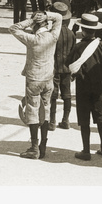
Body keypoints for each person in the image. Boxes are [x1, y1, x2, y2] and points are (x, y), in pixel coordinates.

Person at [9, 9, 63, 159]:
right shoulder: (53, 36)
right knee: (45, 110)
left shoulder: (32, 39)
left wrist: (32, 20)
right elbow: (59, 17)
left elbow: (13, 28)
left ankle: (34, 147)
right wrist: (46, 15)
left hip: (34, 78)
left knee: (32, 111)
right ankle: (43, 146)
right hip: (48, 78)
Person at [68, 13, 102, 162]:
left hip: (83, 86)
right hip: (99, 85)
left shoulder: (79, 47)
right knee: (100, 116)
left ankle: (86, 150)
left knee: (84, 119)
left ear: (83, 30)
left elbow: (71, 65)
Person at [48, 1, 76, 131]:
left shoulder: (51, 33)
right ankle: (66, 120)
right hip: (67, 68)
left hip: (53, 68)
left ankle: (52, 121)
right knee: (67, 94)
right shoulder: (71, 34)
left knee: (53, 95)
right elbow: (74, 52)